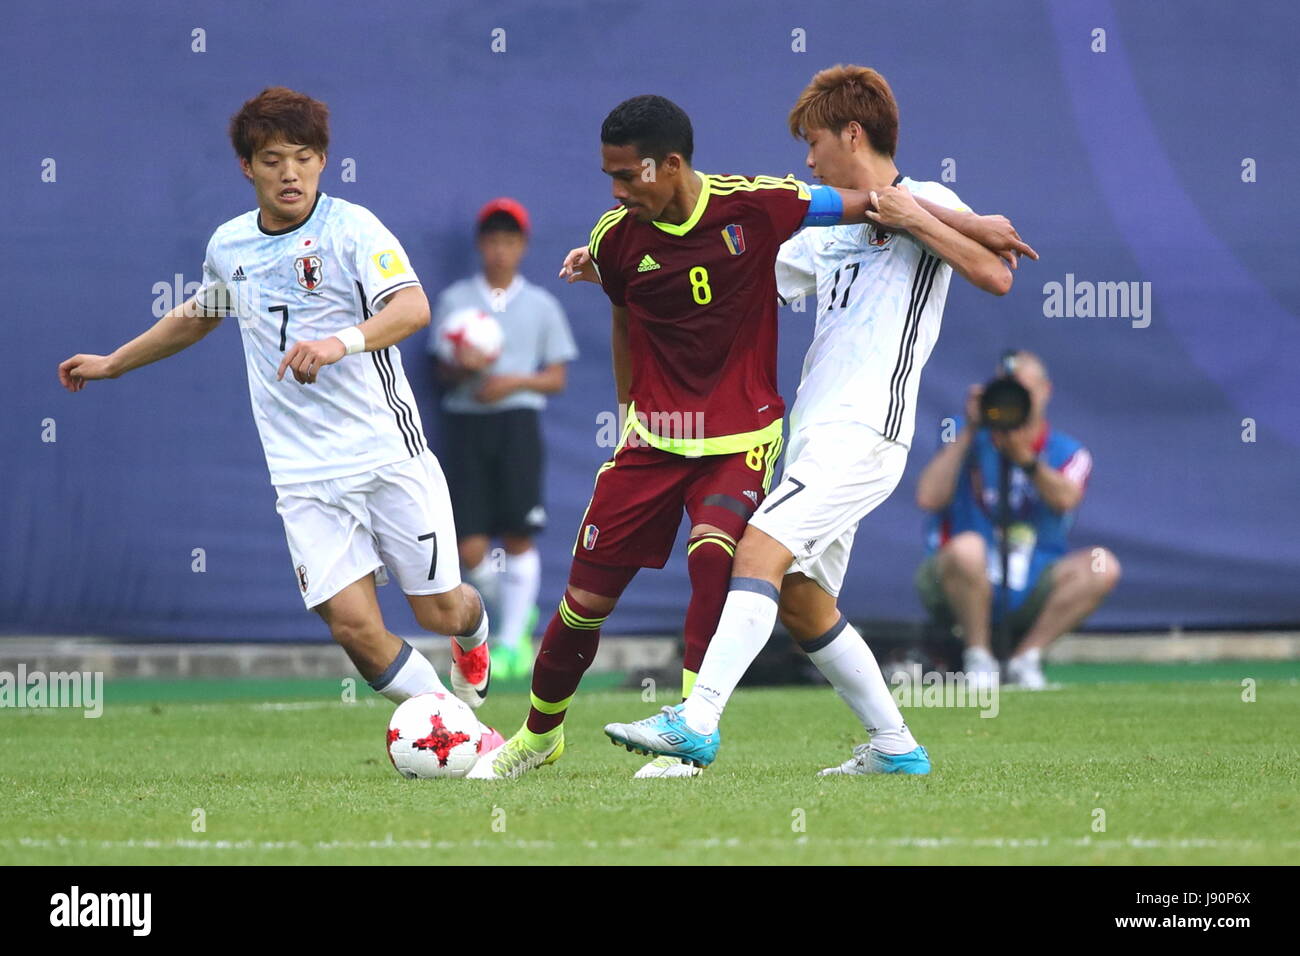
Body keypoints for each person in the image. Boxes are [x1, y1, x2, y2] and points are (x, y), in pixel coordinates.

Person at [471, 91, 1026, 780]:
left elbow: (994, 273)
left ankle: (695, 721)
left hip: (866, 427)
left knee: (752, 552)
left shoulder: (925, 195)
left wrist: (917, 213)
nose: (808, 157)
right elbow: (730, 271)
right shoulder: (829, 233)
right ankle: (895, 746)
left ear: (853, 133)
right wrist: (620, 259)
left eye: (815, 141)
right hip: (814, 430)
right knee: (799, 596)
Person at [57, 86, 495, 727]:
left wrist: (339, 342)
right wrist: (114, 362)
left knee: (437, 611)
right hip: (301, 472)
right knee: (351, 626)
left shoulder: (354, 229)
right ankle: (460, 734)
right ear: (247, 167)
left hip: (384, 451)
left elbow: (412, 309)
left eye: (302, 156)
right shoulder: (229, 245)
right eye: (271, 159)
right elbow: (203, 312)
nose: (289, 172)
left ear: (322, 161)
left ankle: (474, 630)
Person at [429, 198, 578, 682]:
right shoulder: (456, 300)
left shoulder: (540, 304)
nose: (500, 250)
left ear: (522, 247)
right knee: (469, 543)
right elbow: (439, 372)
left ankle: (513, 644)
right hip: (467, 424)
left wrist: (512, 382)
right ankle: (507, 613)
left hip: (517, 425)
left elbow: (556, 377)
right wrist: (462, 367)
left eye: (509, 241)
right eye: (492, 240)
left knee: (518, 532)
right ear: (480, 245)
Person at [914, 350, 1120, 689]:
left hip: (1033, 579)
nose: (1015, 400)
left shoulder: (1068, 451)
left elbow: (1067, 499)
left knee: (1103, 564)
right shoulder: (963, 436)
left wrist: (1022, 457)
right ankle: (979, 661)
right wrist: (970, 430)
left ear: (1045, 391)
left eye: (1023, 390)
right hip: (959, 576)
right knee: (967, 548)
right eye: (1006, 390)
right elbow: (928, 497)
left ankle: (1024, 661)